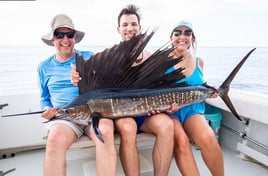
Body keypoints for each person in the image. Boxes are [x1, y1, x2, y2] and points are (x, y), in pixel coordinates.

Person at [71, 4, 175, 176]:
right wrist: (76, 76)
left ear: (139, 28)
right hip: (120, 113)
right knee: (128, 126)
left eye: (133, 24)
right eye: (125, 25)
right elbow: (87, 80)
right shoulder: (108, 60)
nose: (130, 28)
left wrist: (167, 106)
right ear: (118, 29)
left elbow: (162, 89)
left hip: (145, 113)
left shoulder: (150, 58)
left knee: (167, 125)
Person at [38, 14, 117, 176]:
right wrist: (46, 110)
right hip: (66, 118)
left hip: (95, 113)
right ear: (53, 39)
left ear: (75, 38)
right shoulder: (43, 67)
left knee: (105, 132)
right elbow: (44, 98)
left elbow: (106, 82)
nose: (65, 39)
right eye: (59, 35)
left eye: (69, 34)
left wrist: (85, 77)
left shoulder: (88, 57)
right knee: (54, 139)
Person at [167, 21, 224, 176]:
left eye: (187, 33)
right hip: (169, 112)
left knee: (208, 137)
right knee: (182, 142)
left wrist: (208, 88)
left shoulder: (199, 62)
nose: (182, 37)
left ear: (192, 38)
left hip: (192, 110)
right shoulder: (162, 62)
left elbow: (198, 84)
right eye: (177, 33)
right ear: (171, 37)